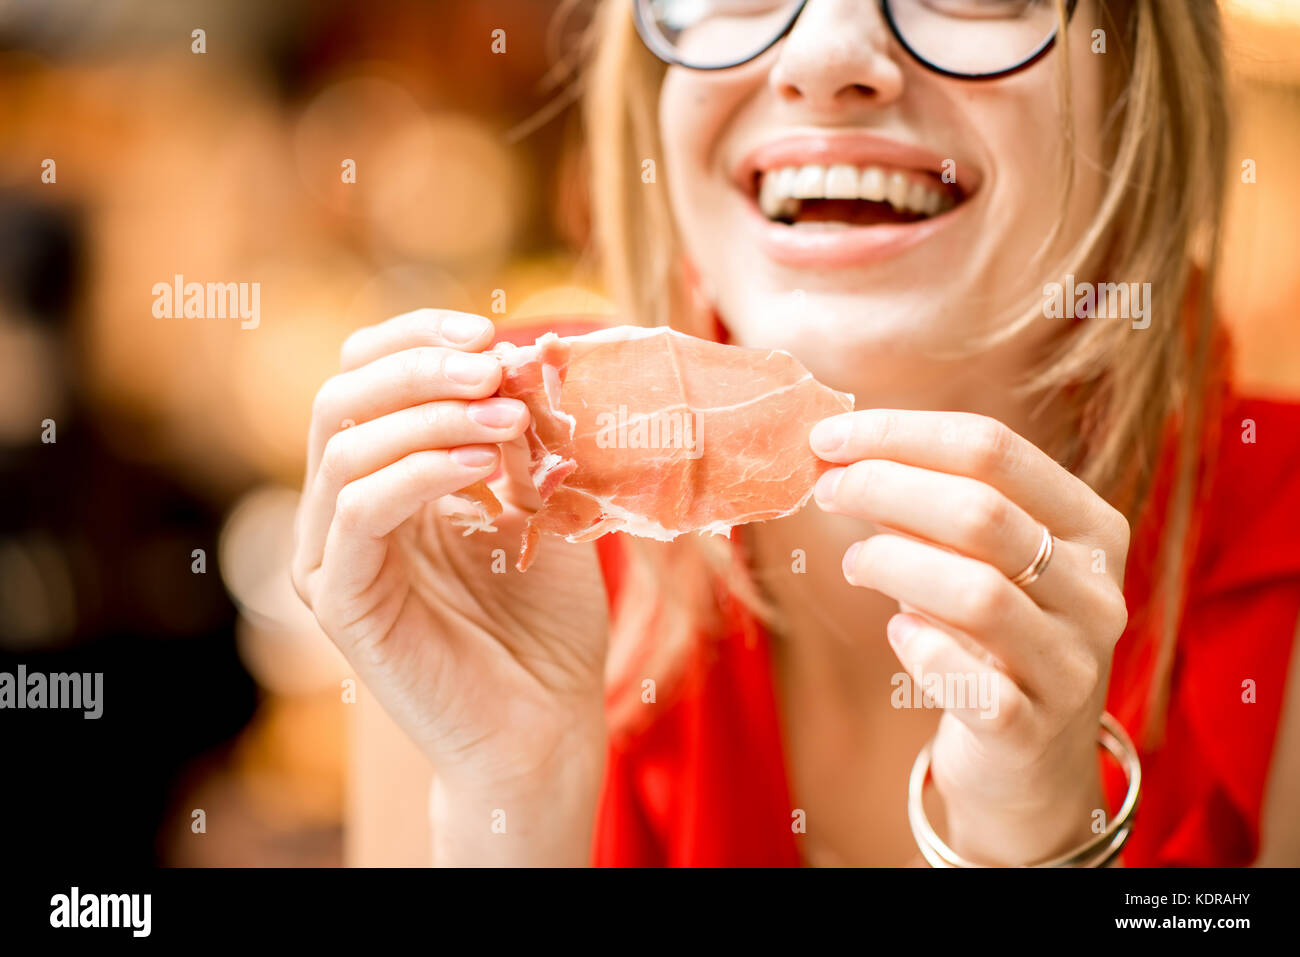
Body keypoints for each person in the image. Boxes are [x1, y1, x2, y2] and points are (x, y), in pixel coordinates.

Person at [291, 0, 1300, 866]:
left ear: (1134, 74)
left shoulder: (1280, 560)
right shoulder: (484, 495)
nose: (821, 61)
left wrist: (1033, 840)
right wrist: (512, 811)